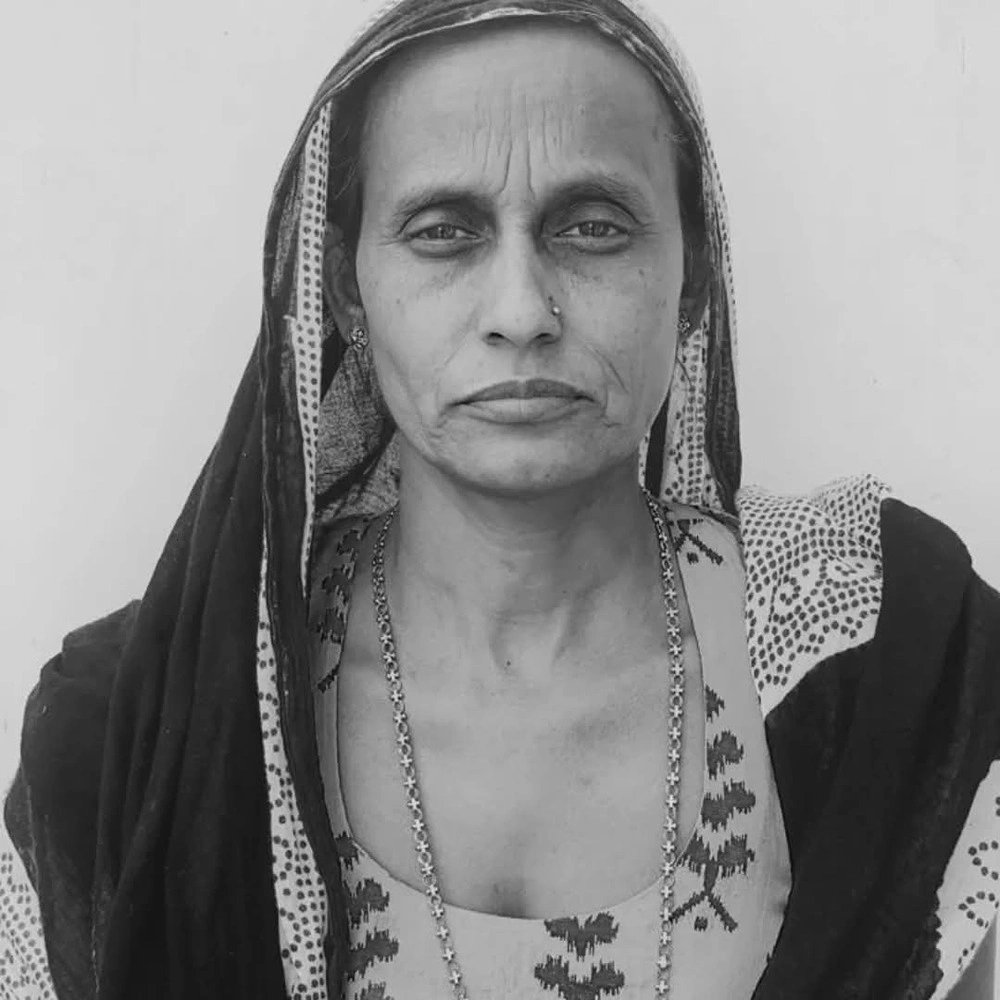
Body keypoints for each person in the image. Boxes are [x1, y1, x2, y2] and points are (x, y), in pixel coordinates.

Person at [2, 0, 999, 997]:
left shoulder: (886, 664)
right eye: (443, 233)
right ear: (345, 287)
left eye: (593, 227)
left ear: (694, 272)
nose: (521, 312)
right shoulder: (131, 738)